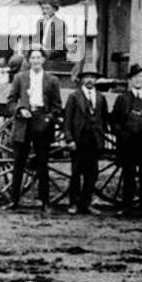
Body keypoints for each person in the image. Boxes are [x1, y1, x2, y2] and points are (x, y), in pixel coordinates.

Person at [3, 45, 63, 213]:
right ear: (28, 61)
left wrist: (47, 118)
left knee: (42, 164)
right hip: (23, 122)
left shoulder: (52, 80)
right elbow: (11, 101)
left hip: (42, 123)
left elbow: (57, 107)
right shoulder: (20, 78)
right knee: (19, 163)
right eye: (33, 58)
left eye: (39, 57)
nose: (36, 61)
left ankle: (45, 202)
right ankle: (13, 200)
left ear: (43, 60)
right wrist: (19, 110)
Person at [110, 64, 142, 217]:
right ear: (131, 80)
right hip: (128, 144)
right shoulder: (122, 98)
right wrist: (121, 134)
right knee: (128, 175)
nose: (138, 80)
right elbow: (113, 120)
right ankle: (127, 206)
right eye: (135, 77)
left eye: (141, 77)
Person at [63, 65, 107, 215]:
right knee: (76, 172)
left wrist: (102, 138)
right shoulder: (74, 97)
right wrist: (69, 139)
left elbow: (103, 119)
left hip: (94, 140)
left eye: (92, 77)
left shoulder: (101, 98)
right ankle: (74, 203)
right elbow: (67, 121)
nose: (89, 80)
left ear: (96, 80)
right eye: (86, 77)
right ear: (81, 79)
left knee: (92, 173)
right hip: (78, 139)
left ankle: (86, 203)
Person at [34, 0, 68, 65]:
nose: (44, 11)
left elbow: (59, 46)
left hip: (55, 55)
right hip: (41, 52)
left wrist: (44, 50)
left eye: (47, 8)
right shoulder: (40, 23)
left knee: (29, 60)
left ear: (54, 9)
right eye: (43, 8)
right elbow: (37, 39)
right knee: (17, 59)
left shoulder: (59, 23)